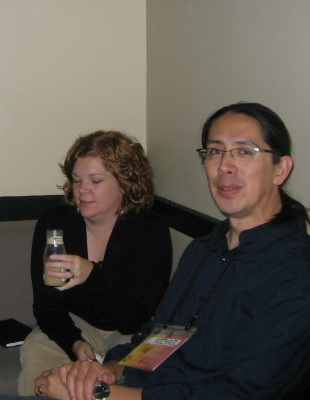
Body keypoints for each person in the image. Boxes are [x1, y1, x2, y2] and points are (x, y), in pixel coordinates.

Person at [30, 102, 310, 400]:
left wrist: (100, 394)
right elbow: (162, 335)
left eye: (244, 152)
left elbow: (239, 392)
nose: (225, 166)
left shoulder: (294, 271)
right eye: (215, 151)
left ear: (281, 169)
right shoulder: (205, 250)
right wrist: (110, 369)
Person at [18, 131, 172, 395]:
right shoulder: (56, 224)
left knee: (148, 362)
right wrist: (74, 344)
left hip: (133, 332)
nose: (82, 190)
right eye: (77, 180)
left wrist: (92, 274)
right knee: (35, 350)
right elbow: (47, 305)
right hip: (77, 324)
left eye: (96, 180)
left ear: (125, 185)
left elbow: (133, 318)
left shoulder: (148, 229)